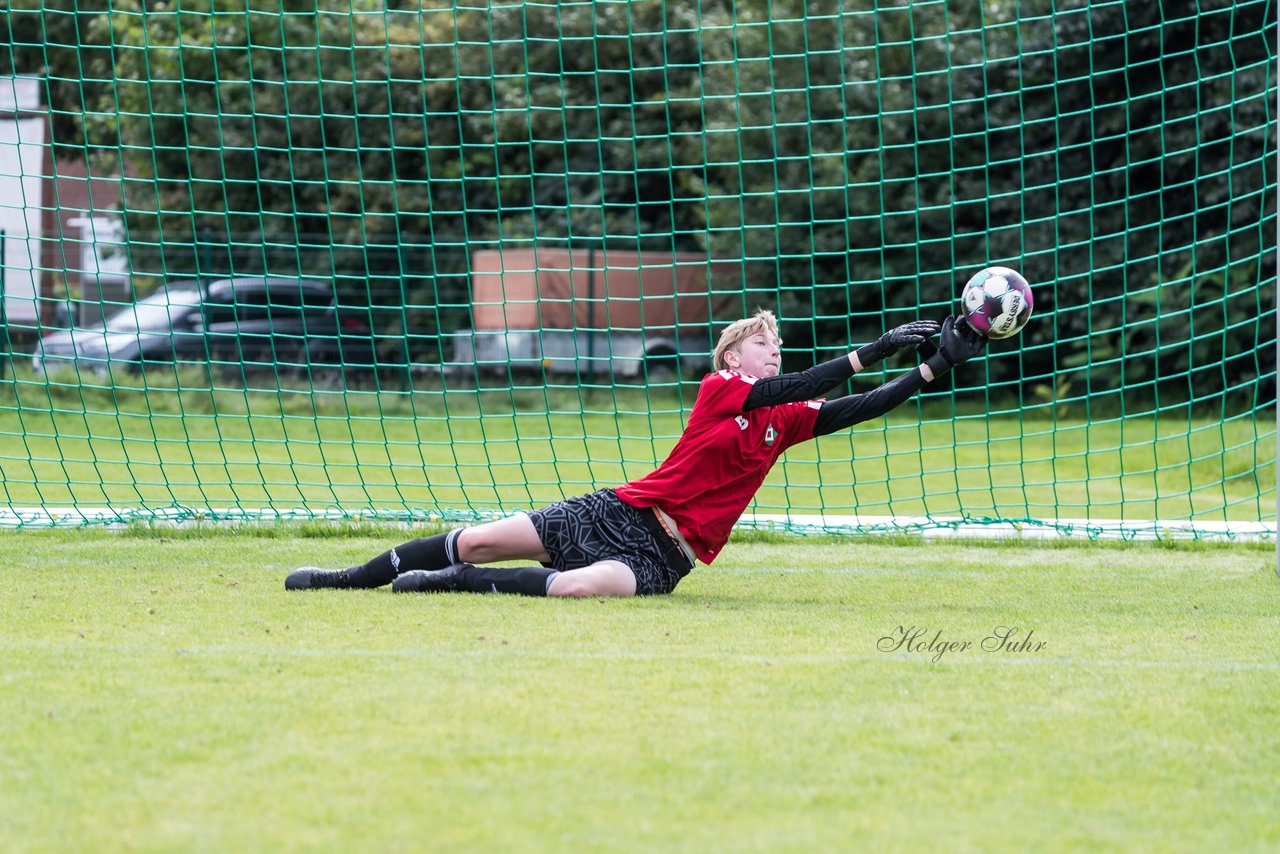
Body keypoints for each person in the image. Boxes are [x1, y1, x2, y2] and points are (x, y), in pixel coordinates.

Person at [285, 311, 986, 598]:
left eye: (777, 343)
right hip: (619, 512)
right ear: (735, 355)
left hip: (665, 555)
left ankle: (452, 584)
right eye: (762, 343)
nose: (775, 350)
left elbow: (855, 406)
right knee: (481, 537)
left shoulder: (786, 419)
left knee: (583, 591)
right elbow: (806, 380)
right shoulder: (721, 389)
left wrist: (929, 370)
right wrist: (872, 348)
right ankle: (345, 579)